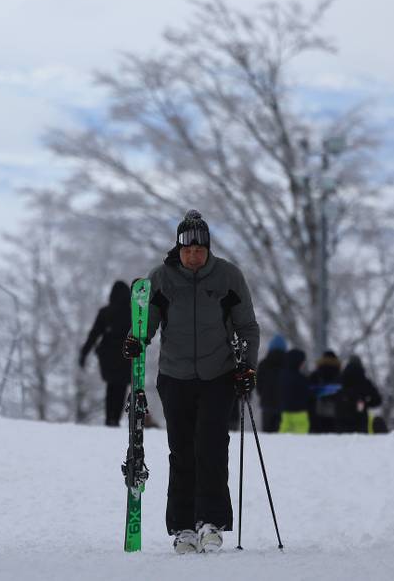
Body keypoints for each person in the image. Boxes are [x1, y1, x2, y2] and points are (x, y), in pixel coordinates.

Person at [122, 209, 259, 555]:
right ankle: (183, 527)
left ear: (208, 249)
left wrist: (248, 368)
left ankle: (211, 522)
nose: (193, 255)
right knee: (181, 450)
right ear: (178, 249)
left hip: (218, 375)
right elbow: (146, 324)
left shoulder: (228, 277)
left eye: (199, 250)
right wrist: (135, 339)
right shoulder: (162, 279)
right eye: (187, 250)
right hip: (175, 377)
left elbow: (247, 327)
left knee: (212, 446)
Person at [79, 280, 132, 426]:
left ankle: (109, 418)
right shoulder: (133, 312)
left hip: (107, 356)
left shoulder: (105, 312)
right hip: (127, 356)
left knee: (111, 387)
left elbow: (94, 334)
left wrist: (84, 353)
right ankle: (115, 419)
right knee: (121, 388)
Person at [336, 355, 383, 433]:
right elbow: (377, 400)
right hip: (360, 418)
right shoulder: (364, 381)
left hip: (342, 418)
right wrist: (366, 404)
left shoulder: (340, 380)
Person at [256, 334, 287, 433]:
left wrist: (262, 395)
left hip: (266, 403)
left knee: (267, 433)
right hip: (283, 403)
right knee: (281, 434)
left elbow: (258, 384)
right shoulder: (288, 363)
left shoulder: (263, 364)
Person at [278, 348, 311, 434]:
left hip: (285, 411)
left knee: (283, 437)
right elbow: (306, 394)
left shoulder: (282, 376)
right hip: (300, 413)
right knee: (300, 439)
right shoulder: (301, 378)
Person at [308, 350, 342, 433]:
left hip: (317, 417)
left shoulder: (314, 375)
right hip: (336, 417)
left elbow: (308, 396)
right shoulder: (341, 376)